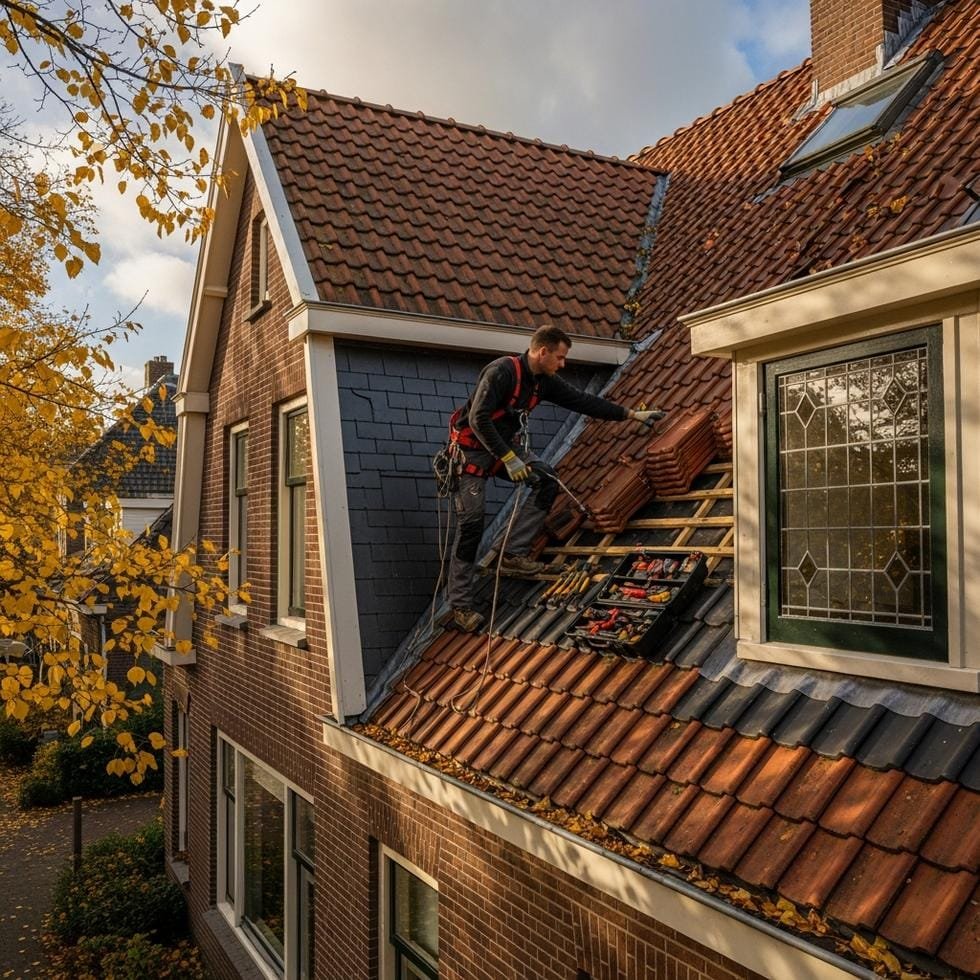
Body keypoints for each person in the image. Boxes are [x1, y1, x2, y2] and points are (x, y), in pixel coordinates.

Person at [446, 324, 664, 632]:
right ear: (542, 351)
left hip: (504, 447)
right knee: (471, 524)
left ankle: (513, 554)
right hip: (471, 452)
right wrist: (508, 458)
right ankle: (460, 605)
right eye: (559, 357)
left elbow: (582, 401)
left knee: (546, 479)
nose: (563, 364)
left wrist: (630, 414)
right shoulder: (501, 372)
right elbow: (478, 419)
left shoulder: (543, 382)